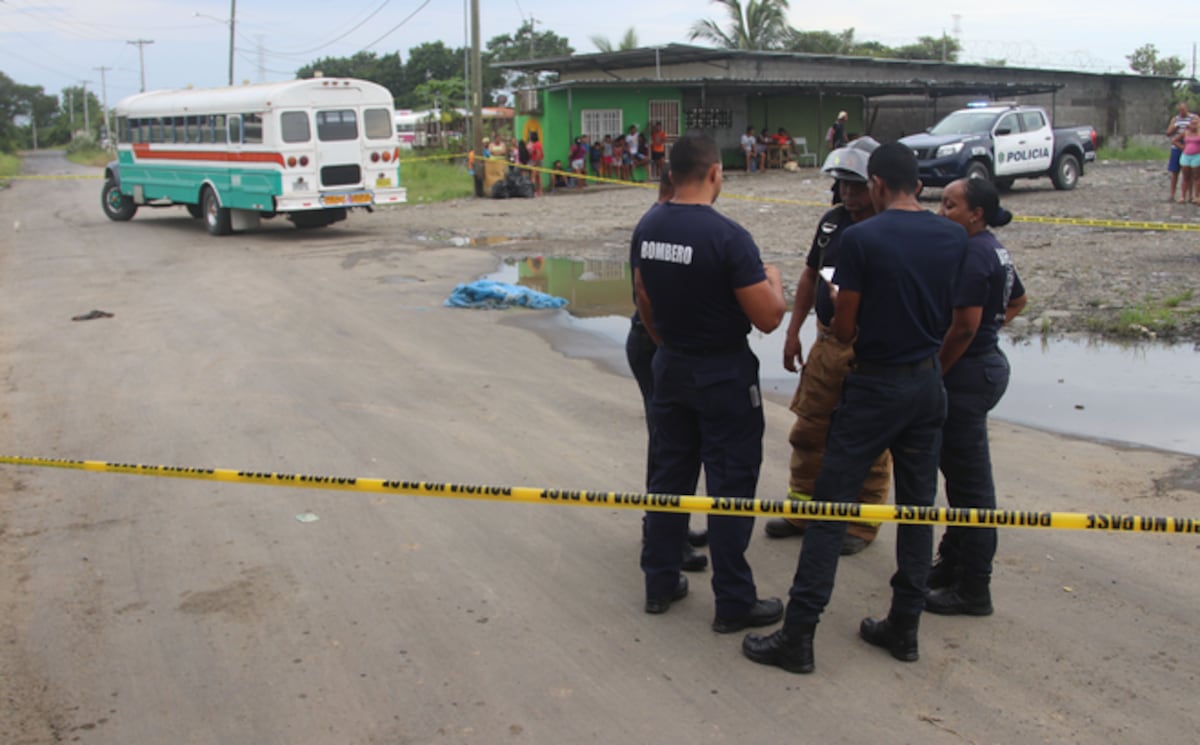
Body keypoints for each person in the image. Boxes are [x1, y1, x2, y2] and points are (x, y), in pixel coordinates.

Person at [743, 142, 966, 674]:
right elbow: (958, 318)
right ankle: (904, 627)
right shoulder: (953, 235)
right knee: (917, 511)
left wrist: (852, 334)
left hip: (873, 385)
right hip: (927, 385)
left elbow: (845, 323)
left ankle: (799, 636)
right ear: (918, 183)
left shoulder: (863, 238)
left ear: (879, 185)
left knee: (828, 511)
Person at [631, 132, 787, 631]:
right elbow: (766, 318)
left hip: (671, 364)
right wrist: (776, 285)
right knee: (730, 484)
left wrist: (667, 344)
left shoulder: (648, 226)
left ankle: (660, 582)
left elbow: (643, 298)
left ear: (671, 173)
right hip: (723, 372)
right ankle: (734, 602)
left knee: (669, 477)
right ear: (716, 173)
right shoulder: (728, 237)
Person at [764, 137, 892, 556]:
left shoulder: (892, 229)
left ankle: (861, 524)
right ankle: (802, 510)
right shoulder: (833, 223)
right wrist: (792, 331)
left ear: (878, 185)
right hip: (826, 342)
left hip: (869, 348)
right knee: (809, 430)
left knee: (868, 440)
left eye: (857, 187)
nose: (849, 195)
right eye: (843, 187)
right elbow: (808, 278)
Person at [928, 177, 1028, 617]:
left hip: (968, 375)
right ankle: (952, 563)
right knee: (959, 476)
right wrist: (992, 326)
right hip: (984, 365)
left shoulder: (974, 252)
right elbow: (1018, 300)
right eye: (941, 203)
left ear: (977, 214)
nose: (940, 212)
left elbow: (964, 327)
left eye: (950, 206)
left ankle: (974, 588)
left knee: (971, 487)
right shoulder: (990, 247)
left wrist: (936, 372)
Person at [628, 168, 709, 574]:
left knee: (673, 442)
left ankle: (672, 524)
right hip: (653, 343)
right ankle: (663, 536)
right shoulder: (657, 224)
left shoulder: (659, 220)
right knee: (668, 444)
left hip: (655, 342)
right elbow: (643, 293)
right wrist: (665, 343)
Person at [1166, 102, 1194, 203]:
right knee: (1175, 171)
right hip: (1176, 146)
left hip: (1190, 145)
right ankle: (1172, 195)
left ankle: (1190, 196)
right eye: (1180, 110)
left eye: (1183, 110)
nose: (1181, 112)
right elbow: (1168, 133)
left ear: (1187, 109)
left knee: (1189, 172)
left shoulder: (1193, 118)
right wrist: (1175, 127)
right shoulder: (1175, 119)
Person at [1179, 116, 1200, 205]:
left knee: (1196, 176)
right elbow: (1175, 140)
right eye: (1192, 123)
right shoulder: (1186, 133)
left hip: (1197, 156)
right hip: (1186, 155)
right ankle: (1183, 196)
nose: (1194, 126)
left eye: (1196, 123)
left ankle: (1196, 196)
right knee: (1185, 176)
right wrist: (1182, 147)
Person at [528, 131, 545, 197]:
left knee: (533, 177)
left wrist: (535, 162)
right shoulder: (539, 144)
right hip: (539, 161)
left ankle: (534, 191)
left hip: (535, 161)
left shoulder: (536, 144)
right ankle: (540, 191)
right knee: (538, 177)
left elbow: (538, 154)